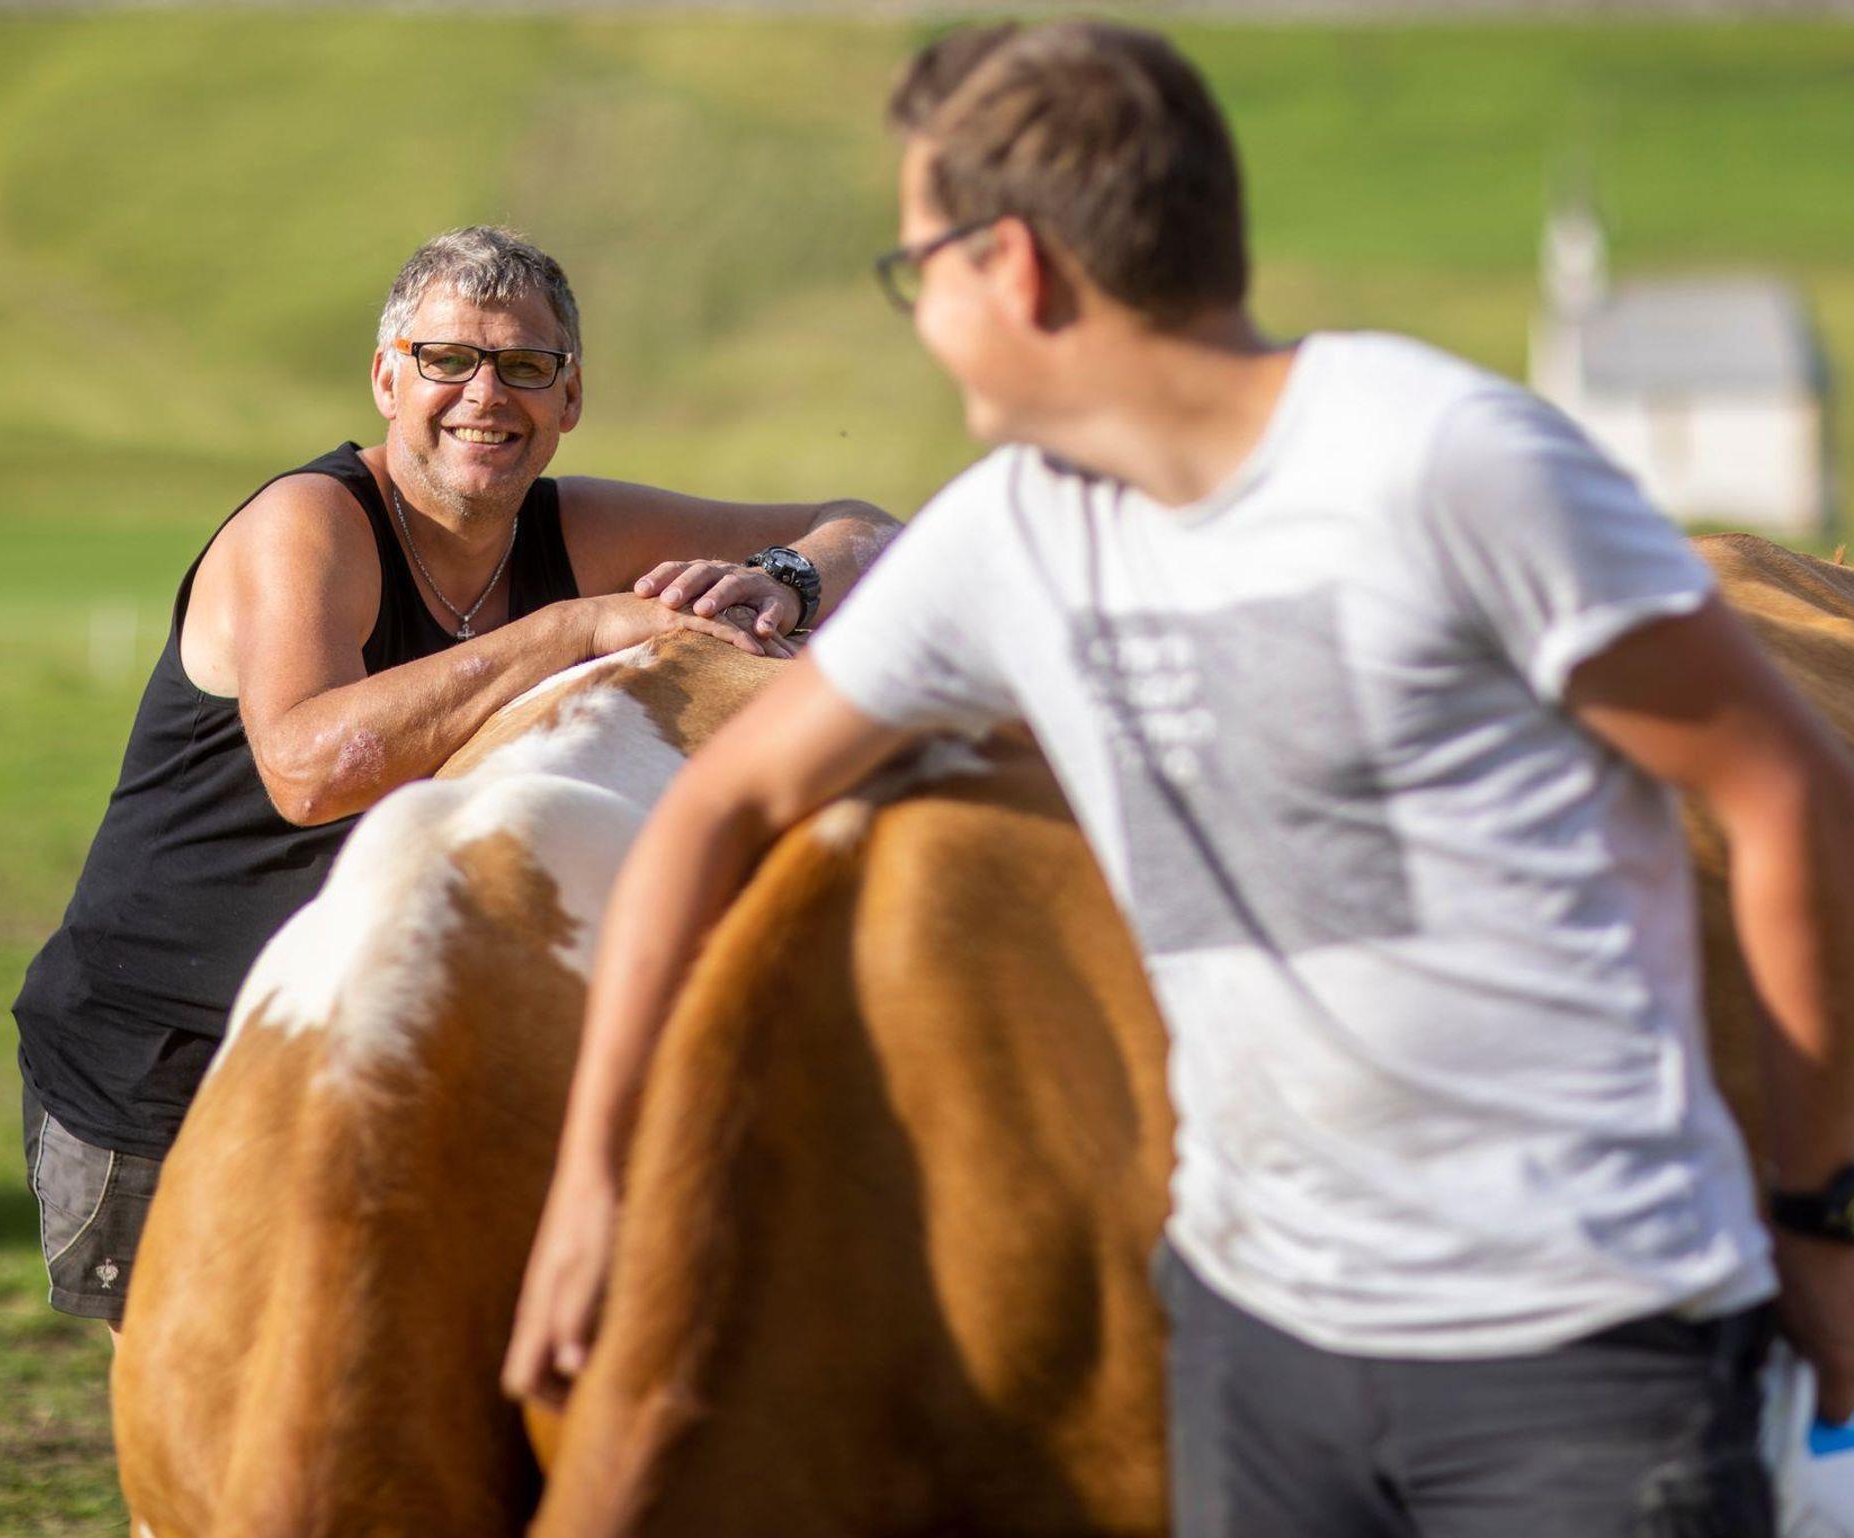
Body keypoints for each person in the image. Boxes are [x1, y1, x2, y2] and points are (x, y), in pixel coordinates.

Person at [503, 23, 1854, 1536]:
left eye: (916, 271)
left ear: (1013, 268)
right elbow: (720, 803)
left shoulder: (1445, 458)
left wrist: (1821, 1223)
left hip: (1585, 1343)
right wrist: (595, 1183)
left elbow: (1789, 796)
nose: (920, 318)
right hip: (1250, 1348)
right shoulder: (1014, 531)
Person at [13, 224, 899, 1328]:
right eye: (448, 359)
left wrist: (787, 578)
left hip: (385, 1044)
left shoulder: (577, 526)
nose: (486, 394)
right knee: (222, 1422)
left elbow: (871, 529)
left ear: (569, 397)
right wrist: (573, 629)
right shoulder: (308, 524)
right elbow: (310, 770)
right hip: (171, 1063)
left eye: (525, 365)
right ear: (388, 379)